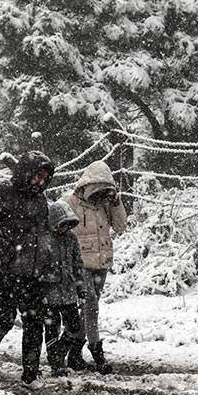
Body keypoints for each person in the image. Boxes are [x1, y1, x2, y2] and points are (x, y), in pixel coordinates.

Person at [0, 151, 55, 389]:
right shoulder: (0, 193)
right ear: (26, 172)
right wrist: (8, 251)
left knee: (34, 321)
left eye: (44, 178)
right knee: (4, 319)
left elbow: (43, 233)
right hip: (3, 269)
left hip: (32, 271)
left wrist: (45, 261)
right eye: (37, 176)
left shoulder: (40, 200)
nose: (40, 182)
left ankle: (30, 375)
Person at [66, 160, 127, 374]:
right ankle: (96, 352)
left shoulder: (106, 205)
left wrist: (116, 202)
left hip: (101, 264)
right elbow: (57, 227)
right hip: (79, 264)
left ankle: (73, 352)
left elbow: (121, 226)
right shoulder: (70, 202)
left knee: (88, 310)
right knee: (90, 306)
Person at [40, 200, 85, 376]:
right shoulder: (44, 239)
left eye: (68, 225)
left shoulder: (71, 238)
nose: (65, 228)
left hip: (68, 291)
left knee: (74, 326)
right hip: (49, 293)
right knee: (51, 328)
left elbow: (77, 263)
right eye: (62, 225)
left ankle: (59, 350)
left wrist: (80, 287)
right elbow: (39, 267)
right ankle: (56, 363)